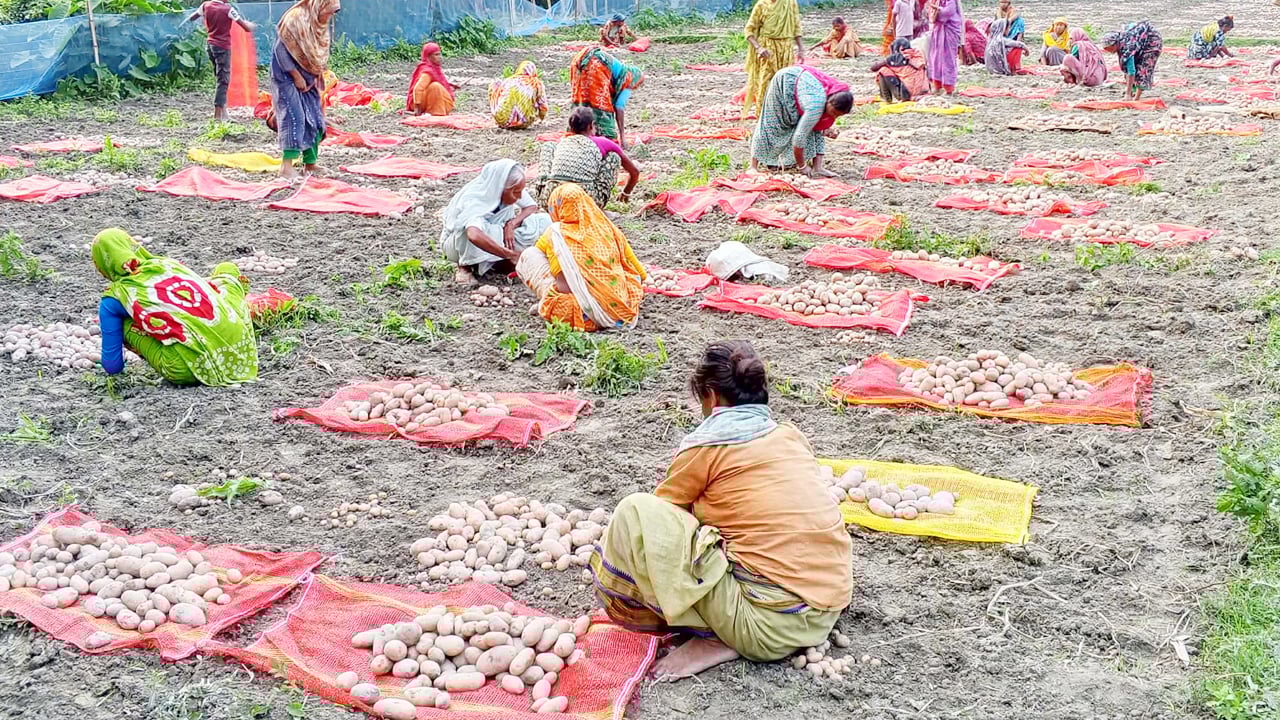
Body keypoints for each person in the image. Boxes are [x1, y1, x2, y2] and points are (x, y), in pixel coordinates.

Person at [588, 340, 852, 680]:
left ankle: (717, 637)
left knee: (635, 512)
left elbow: (664, 524)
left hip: (765, 628)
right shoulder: (789, 436)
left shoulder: (707, 448)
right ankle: (737, 621)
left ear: (710, 396)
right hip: (824, 612)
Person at [92, 229, 258, 387]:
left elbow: (112, 366)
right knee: (226, 270)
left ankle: (184, 351)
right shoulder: (167, 265)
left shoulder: (115, 296)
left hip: (184, 369)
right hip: (240, 350)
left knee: (121, 320)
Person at [516, 184, 646, 332]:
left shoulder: (556, 234)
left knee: (529, 255)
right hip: (621, 311)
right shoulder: (607, 228)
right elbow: (640, 273)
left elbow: (564, 287)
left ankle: (548, 302)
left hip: (584, 314)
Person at [440, 160, 552, 286]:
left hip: (499, 231)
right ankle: (465, 267)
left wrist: (512, 224)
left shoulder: (510, 186)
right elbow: (474, 235)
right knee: (469, 233)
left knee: (545, 221)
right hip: (459, 243)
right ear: (501, 188)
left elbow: (531, 206)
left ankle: (496, 261)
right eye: (515, 192)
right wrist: (510, 255)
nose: (519, 196)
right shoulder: (475, 198)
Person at [270, 0, 339, 179]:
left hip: (309, 76)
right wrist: (296, 76)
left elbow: (316, 52)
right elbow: (280, 50)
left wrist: (315, 73)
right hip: (286, 76)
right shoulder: (295, 19)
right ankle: (286, 167)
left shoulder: (319, 24)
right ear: (319, 5)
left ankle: (310, 165)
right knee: (295, 117)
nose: (330, 16)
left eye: (334, 12)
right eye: (329, 11)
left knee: (315, 117)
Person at [750, 66, 852, 178]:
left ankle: (818, 168)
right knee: (771, 122)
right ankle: (753, 166)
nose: (834, 117)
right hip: (786, 80)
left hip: (803, 86)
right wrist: (802, 166)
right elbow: (799, 138)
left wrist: (826, 128)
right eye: (834, 113)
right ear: (830, 102)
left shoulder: (839, 93)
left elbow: (817, 125)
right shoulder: (815, 106)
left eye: (838, 115)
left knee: (815, 125)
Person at [532, 107, 641, 210]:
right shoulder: (603, 142)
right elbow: (634, 172)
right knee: (614, 157)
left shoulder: (563, 142)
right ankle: (598, 208)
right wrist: (626, 192)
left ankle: (540, 193)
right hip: (585, 203)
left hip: (551, 200)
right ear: (591, 126)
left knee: (549, 146)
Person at [185, 0, 256, 121]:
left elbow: (192, 18)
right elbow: (247, 28)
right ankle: (217, 117)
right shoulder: (228, 9)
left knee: (219, 79)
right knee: (223, 80)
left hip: (210, 46)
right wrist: (252, 25)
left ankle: (225, 114)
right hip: (223, 48)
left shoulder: (206, 5)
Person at [569, 46, 644, 146]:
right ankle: (603, 135)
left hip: (578, 61)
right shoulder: (629, 79)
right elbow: (619, 107)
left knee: (583, 96)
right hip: (596, 66)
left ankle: (578, 129)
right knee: (600, 102)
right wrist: (622, 136)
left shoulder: (620, 69)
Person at [743, 0, 802, 115]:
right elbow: (748, 30)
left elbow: (796, 26)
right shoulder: (762, 5)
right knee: (766, 82)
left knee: (786, 82)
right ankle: (763, 115)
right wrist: (758, 48)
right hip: (768, 49)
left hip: (786, 49)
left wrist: (801, 49)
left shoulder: (790, 3)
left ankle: (783, 114)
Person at [1102, 21, 1162, 100]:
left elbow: (1131, 71)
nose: (1108, 51)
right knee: (1129, 65)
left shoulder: (1128, 48)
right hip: (1141, 41)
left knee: (1143, 69)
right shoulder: (1122, 41)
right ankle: (1131, 91)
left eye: (1109, 48)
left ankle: (1136, 97)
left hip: (1152, 42)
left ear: (1115, 44)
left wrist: (1127, 94)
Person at [489, 61, 547, 129]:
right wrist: (541, 118)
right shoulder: (536, 84)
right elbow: (543, 106)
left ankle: (501, 114)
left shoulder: (509, 80)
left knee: (495, 84)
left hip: (502, 120)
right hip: (523, 122)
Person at [407, 42, 455, 116]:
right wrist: (417, 109)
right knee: (435, 86)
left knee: (436, 86)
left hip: (423, 101)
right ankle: (437, 112)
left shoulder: (434, 68)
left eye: (440, 54)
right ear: (428, 56)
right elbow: (418, 89)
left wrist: (450, 86)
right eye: (436, 55)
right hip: (419, 104)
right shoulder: (428, 71)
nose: (440, 57)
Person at [926, 0, 964, 94]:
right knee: (935, 58)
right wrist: (933, 11)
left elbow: (948, 12)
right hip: (937, 30)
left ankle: (949, 87)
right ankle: (937, 85)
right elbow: (929, 11)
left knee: (948, 59)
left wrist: (938, 10)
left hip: (949, 31)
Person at [994, 0, 1025, 72]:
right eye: (1001, 3)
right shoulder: (998, 11)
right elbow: (998, 22)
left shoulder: (1013, 10)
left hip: (1011, 28)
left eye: (1005, 3)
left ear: (1008, 3)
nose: (1003, 4)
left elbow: (1010, 20)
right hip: (1002, 30)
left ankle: (1018, 41)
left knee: (1020, 21)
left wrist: (1007, 21)